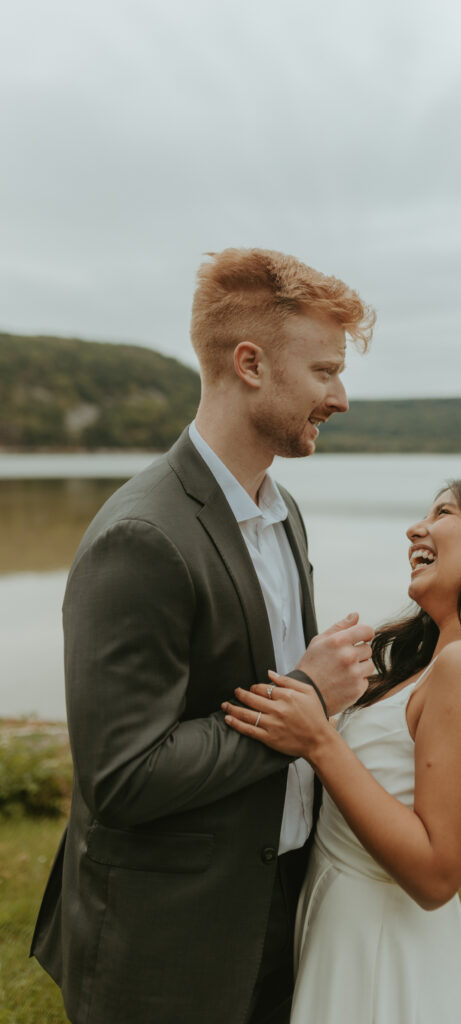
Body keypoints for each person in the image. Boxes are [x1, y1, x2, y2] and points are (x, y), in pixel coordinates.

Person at [31, 248, 376, 1024]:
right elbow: (121, 779)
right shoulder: (142, 537)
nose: (341, 397)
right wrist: (306, 701)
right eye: (323, 371)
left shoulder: (283, 513)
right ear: (250, 364)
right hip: (167, 941)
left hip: (278, 908)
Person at [224, 478, 461, 1024]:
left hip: (382, 943)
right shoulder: (436, 664)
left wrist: (319, 740)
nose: (414, 529)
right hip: (346, 923)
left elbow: (436, 875)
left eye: (443, 512)